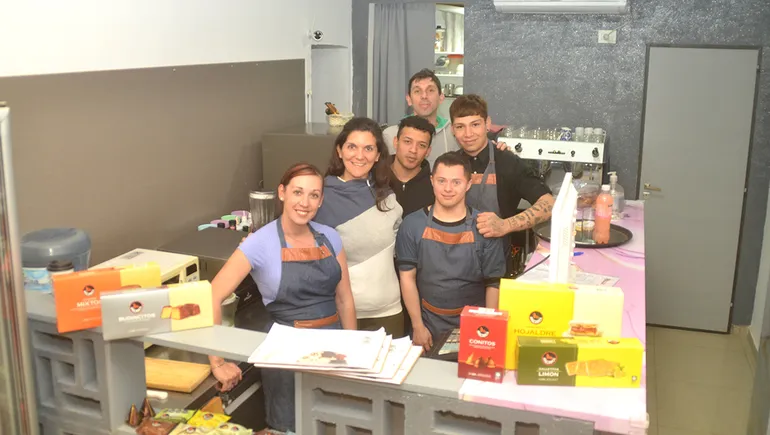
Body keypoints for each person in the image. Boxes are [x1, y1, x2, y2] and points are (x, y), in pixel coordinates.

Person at [208, 162, 357, 435]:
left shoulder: (330, 238)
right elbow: (212, 297)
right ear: (282, 193)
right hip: (286, 356)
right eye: (298, 192)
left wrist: (355, 354)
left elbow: (345, 300)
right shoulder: (260, 242)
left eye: (314, 195)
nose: (305, 202)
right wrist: (217, 362)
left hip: (334, 351)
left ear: (321, 200)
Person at [396, 153, 506, 351]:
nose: (448, 189)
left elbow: (493, 283)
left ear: (468, 184)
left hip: (474, 325)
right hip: (428, 325)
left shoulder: (485, 226)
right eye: (441, 181)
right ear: (432, 181)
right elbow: (407, 278)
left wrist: (487, 329)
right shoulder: (412, 225)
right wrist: (417, 326)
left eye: (456, 182)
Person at [315, 117, 405, 337]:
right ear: (339, 150)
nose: (359, 155)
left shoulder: (388, 197)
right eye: (352, 147)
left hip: (388, 312)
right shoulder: (319, 195)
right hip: (335, 312)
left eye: (368, 148)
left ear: (377, 156)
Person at [450, 95, 555, 275]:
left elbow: (549, 204)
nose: (468, 134)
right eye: (460, 127)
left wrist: (505, 225)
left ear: (487, 123)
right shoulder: (450, 164)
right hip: (453, 260)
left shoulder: (508, 162)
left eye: (475, 124)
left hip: (496, 263)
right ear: (453, 129)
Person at [383, 69, 458, 166]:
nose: (424, 96)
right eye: (417, 91)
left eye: (430, 90)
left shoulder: (454, 134)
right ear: (409, 99)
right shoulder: (390, 135)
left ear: (441, 98)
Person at [389, 116, 436, 217]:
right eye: (407, 142)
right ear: (395, 142)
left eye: (421, 145)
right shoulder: (374, 178)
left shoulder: (435, 187)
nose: (413, 150)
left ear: (428, 151)